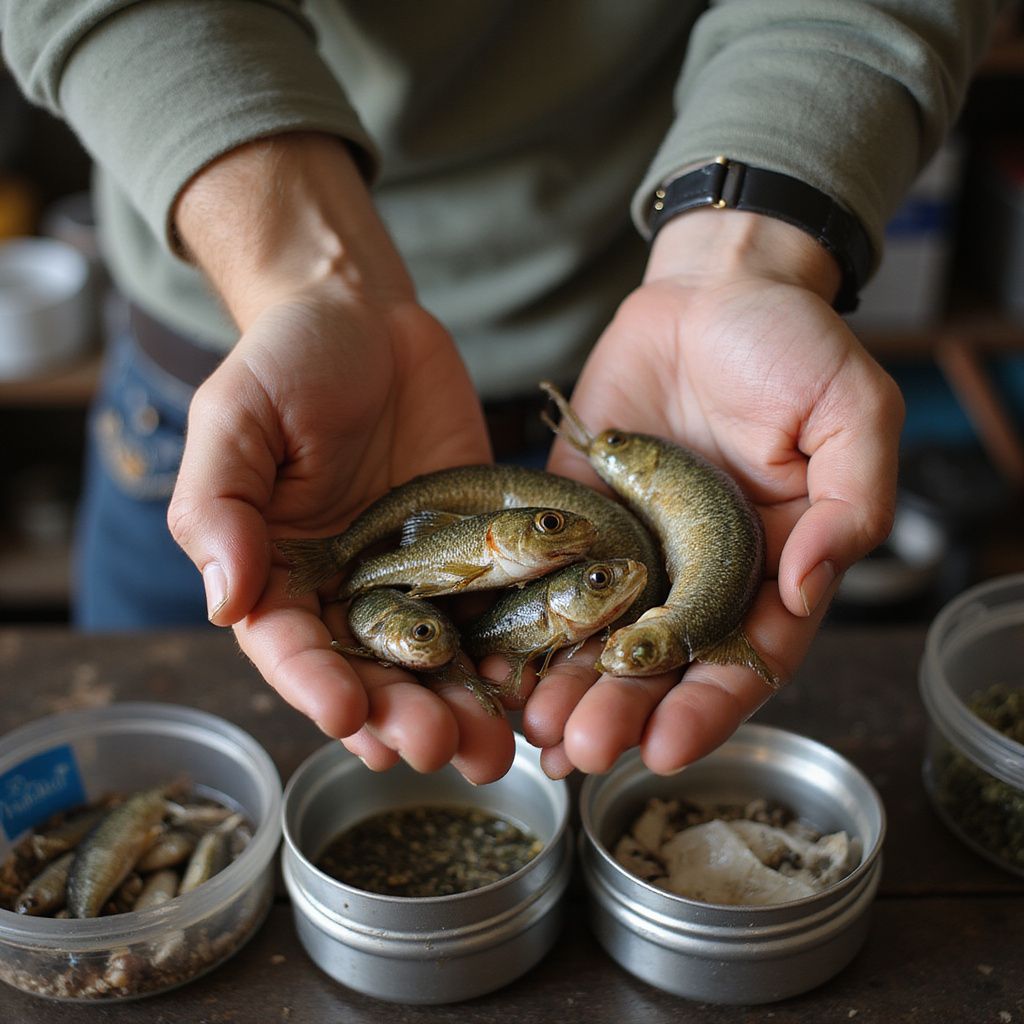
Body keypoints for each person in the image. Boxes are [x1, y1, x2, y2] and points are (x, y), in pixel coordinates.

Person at [1, 1, 996, 782]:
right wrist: (298, 271)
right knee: (138, 752)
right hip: (268, 402)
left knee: (534, 761)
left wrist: (749, 255)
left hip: (643, 365)